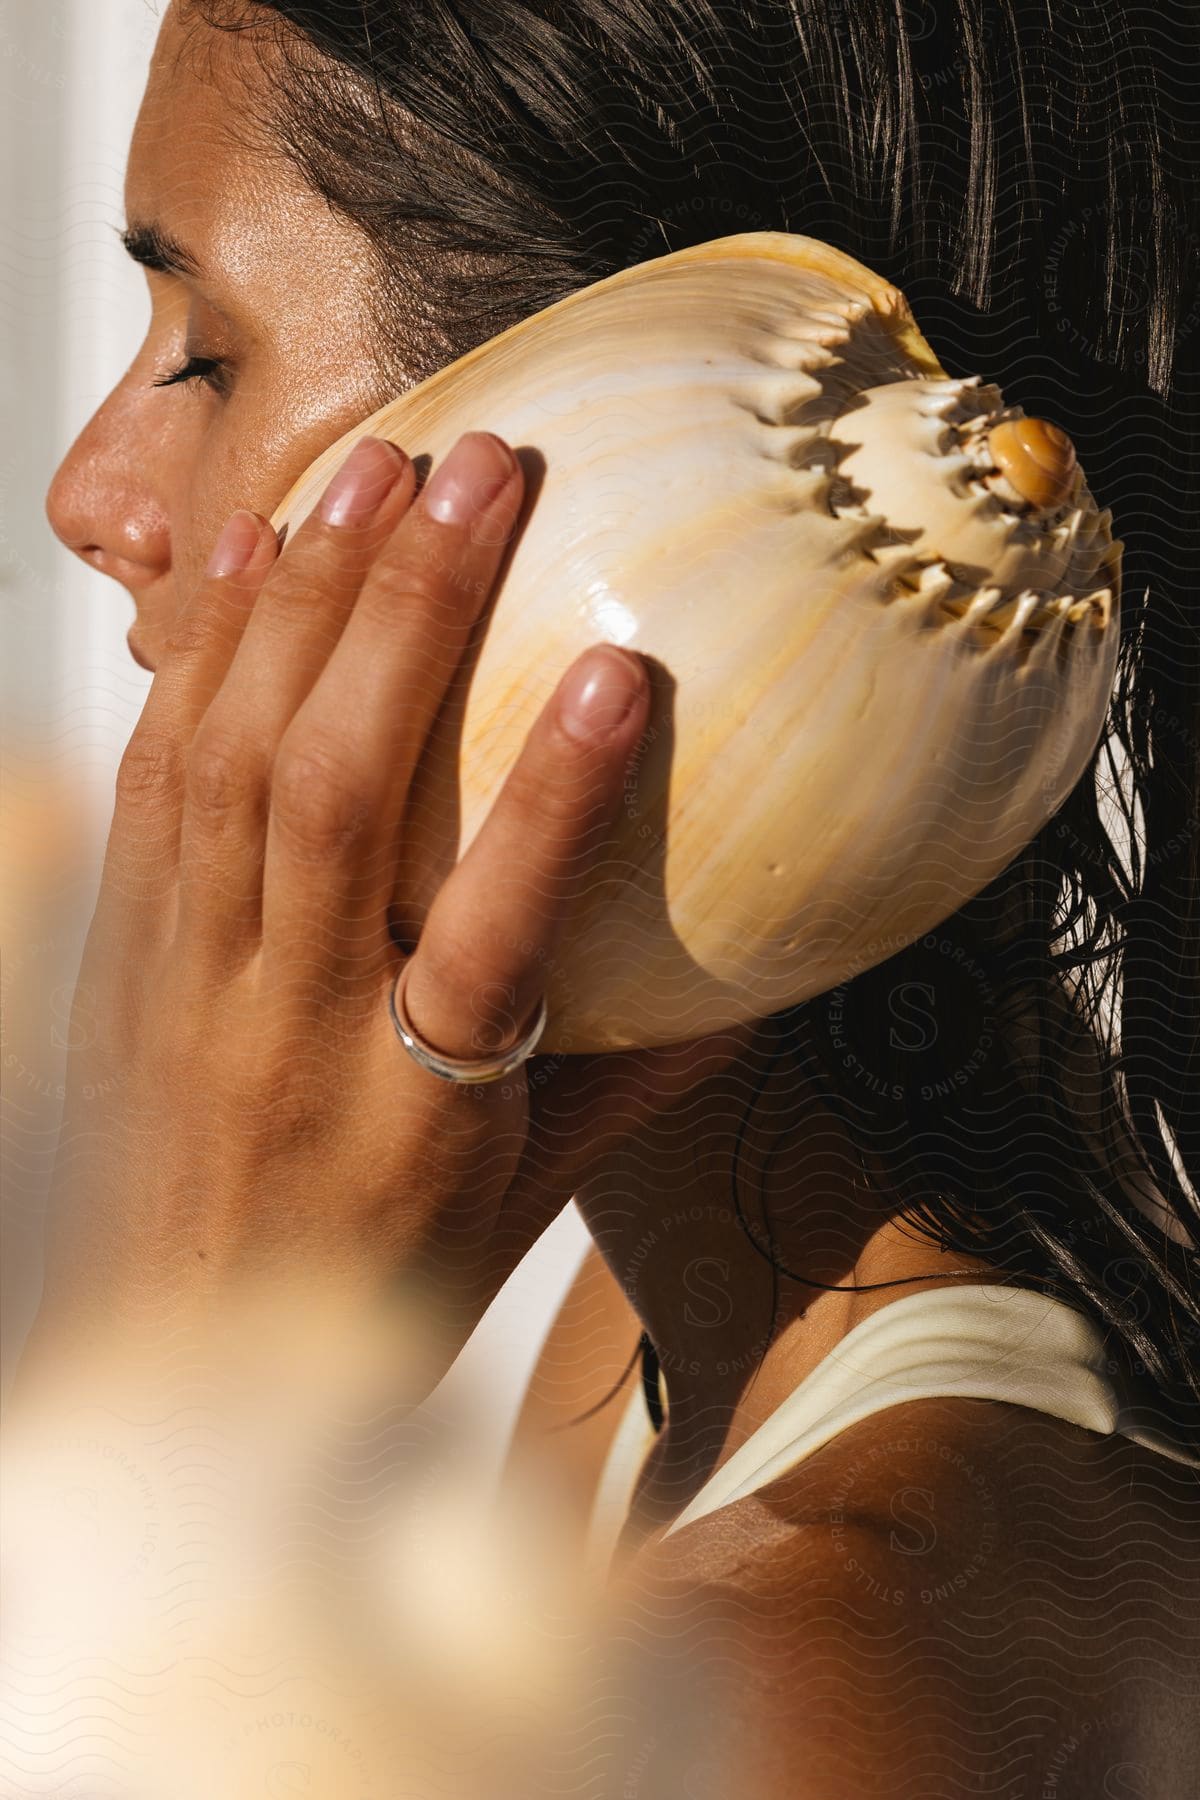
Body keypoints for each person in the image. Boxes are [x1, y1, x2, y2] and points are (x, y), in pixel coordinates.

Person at [32, 1, 1200, 1793]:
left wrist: (182, 1400)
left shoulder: (811, 1682)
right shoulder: (662, 1323)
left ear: (653, 499)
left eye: (206, 353)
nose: (87, 495)